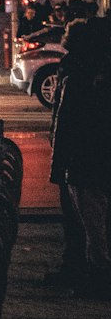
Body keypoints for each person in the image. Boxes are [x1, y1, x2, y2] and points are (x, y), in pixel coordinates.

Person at [49, 16, 111, 297]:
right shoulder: (94, 73)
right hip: (90, 159)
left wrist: (60, 161)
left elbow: (67, 123)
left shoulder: (80, 76)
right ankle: (90, 272)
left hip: (83, 159)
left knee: (90, 223)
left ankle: (95, 276)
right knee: (92, 222)